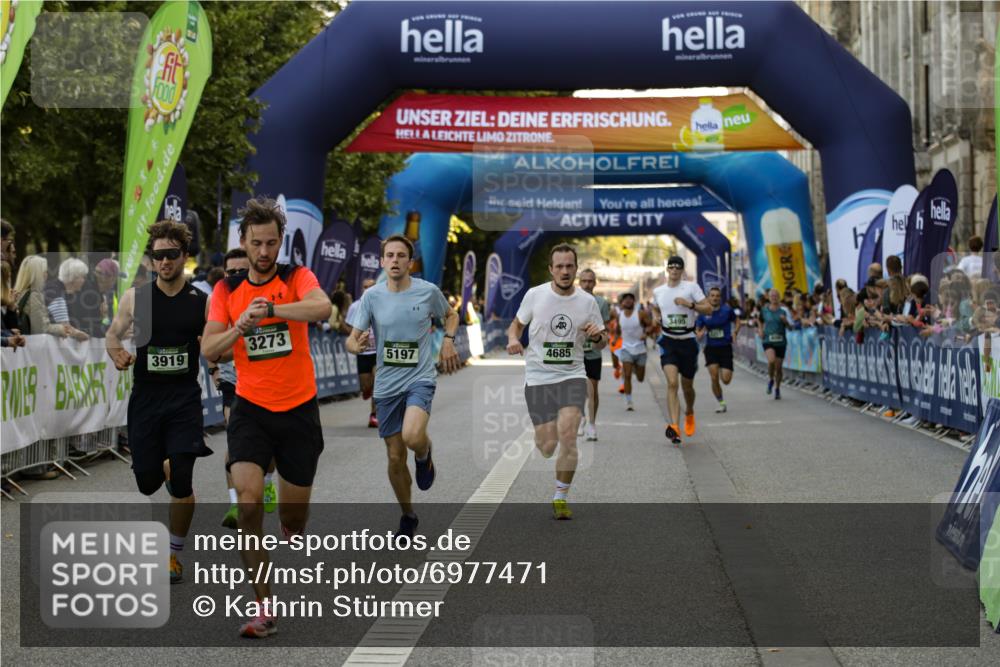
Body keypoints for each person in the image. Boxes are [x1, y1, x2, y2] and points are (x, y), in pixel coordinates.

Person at [201, 196, 332, 639]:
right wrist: (240, 327)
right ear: (243, 241)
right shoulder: (226, 290)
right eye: (256, 243)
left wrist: (273, 310)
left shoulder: (296, 276)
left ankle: (291, 523)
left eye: (271, 243)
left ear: (281, 242)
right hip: (250, 409)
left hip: (298, 408)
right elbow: (209, 348)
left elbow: (322, 308)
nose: (263, 251)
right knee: (248, 501)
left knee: (294, 517)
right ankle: (264, 607)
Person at [105, 220, 213, 586]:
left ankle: (173, 554)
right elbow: (112, 335)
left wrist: (218, 362)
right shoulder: (137, 298)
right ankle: (163, 467)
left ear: (184, 257)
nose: (164, 262)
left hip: (184, 398)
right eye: (158, 255)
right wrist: (117, 353)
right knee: (147, 482)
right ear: (151, 259)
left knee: (182, 478)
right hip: (147, 399)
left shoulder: (201, 301)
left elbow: (213, 344)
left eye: (171, 255)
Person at [347, 235, 459, 539]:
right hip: (386, 385)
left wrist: (448, 341)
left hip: (419, 378)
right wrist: (356, 345)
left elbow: (451, 315)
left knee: (411, 435)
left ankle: (424, 453)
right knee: (395, 457)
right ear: (382, 261)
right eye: (389, 255)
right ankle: (408, 514)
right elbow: (352, 338)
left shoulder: (428, 291)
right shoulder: (372, 297)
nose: (395, 260)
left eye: (401, 255)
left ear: (410, 262)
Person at [506, 243, 606, 519]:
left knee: (568, 437)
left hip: (572, 375)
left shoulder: (587, 302)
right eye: (559, 266)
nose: (564, 271)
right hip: (538, 377)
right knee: (547, 446)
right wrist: (513, 339)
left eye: (569, 266)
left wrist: (597, 336)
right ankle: (543, 438)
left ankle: (560, 497)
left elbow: (602, 342)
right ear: (551, 269)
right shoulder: (535, 295)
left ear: (576, 268)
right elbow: (516, 325)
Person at [213, 249, 278, 530]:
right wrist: (214, 369)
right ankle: (235, 502)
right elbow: (208, 341)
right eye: (232, 272)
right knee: (234, 440)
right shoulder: (219, 299)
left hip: (268, 380)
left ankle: (267, 481)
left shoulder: (269, 295)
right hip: (234, 381)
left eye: (242, 270)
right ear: (224, 274)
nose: (237, 276)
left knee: (270, 444)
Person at [652, 256, 712, 445]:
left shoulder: (691, 288)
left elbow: (708, 309)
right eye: (671, 267)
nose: (675, 270)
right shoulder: (658, 291)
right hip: (668, 341)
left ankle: (690, 411)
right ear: (667, 269)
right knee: (672, 383)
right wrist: (656, 316)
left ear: (682, 270)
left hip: (688, 342)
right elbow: (655, 308)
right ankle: (675, 427)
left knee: (687, 386)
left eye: (678, 267)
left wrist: (690, 305)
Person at [576, 268, 612, 441]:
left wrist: (599, 337)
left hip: (593, 352)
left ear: (595, 283)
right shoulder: (571, 301)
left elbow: (605, 329)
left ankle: (592, 424)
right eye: (584, 281)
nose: (587, 284)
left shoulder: (602, 303)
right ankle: (581, 416)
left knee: (592, 390)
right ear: (579, 282)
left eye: (590, 281)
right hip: (575, 352)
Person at [695, 286, 740, 413]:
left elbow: (737, 321)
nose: (715, 298)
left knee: (726, 380)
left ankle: (722, 368)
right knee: (714, 377)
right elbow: (697, 328)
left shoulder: (727, 310)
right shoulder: (703, 313)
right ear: (708, 297)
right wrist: (698, 333)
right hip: (711, 348)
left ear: (720, 298)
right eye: (712, 295)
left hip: (725, 347)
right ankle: (721, 402)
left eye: (717, 296)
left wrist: (735, 332)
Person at [13, 256, 78, 338]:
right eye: (45, 272)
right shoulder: (35, 295)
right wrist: (61, 329)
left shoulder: (19, 293)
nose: (46, 275)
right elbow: (40, 329)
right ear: (37, 274)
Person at [345, 278, 379, 428]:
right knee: (366, 386)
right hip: (363, 352)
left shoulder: (382, 305)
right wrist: (356, 338)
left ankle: (374, 414)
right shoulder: (355, 307)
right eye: (365, 287)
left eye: (370, 287)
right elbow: (347, 326)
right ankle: (367, 390)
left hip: (378, 352)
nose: (367, 290)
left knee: (378, 382)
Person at [616, 291, 655, 412]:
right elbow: (618, 330)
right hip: (626, 348)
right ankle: (629, 402)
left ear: (634, 301)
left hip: (640, 349)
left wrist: (646, 333)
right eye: (625, 299)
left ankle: (634, 367)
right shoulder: (619, 315)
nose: (628, 301)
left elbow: (651, 325)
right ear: (622, 302)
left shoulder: (641, 314)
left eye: (630, 299)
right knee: (627, 375)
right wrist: (615, 339)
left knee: (640, 378)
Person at [758, 288, 793, 400]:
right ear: (768, 298)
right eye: (772, 296)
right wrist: (760, 330)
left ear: (779, 297)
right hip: (768, 340)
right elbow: (759, 320)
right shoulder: (764, 310)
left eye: (776, 296)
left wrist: (785, 321)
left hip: (781, 342)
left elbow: (791, 327)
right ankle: (770, 379)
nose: (774, 298)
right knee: (771, 361)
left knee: (779, 368)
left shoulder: (784, 311)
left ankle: (777, 388)